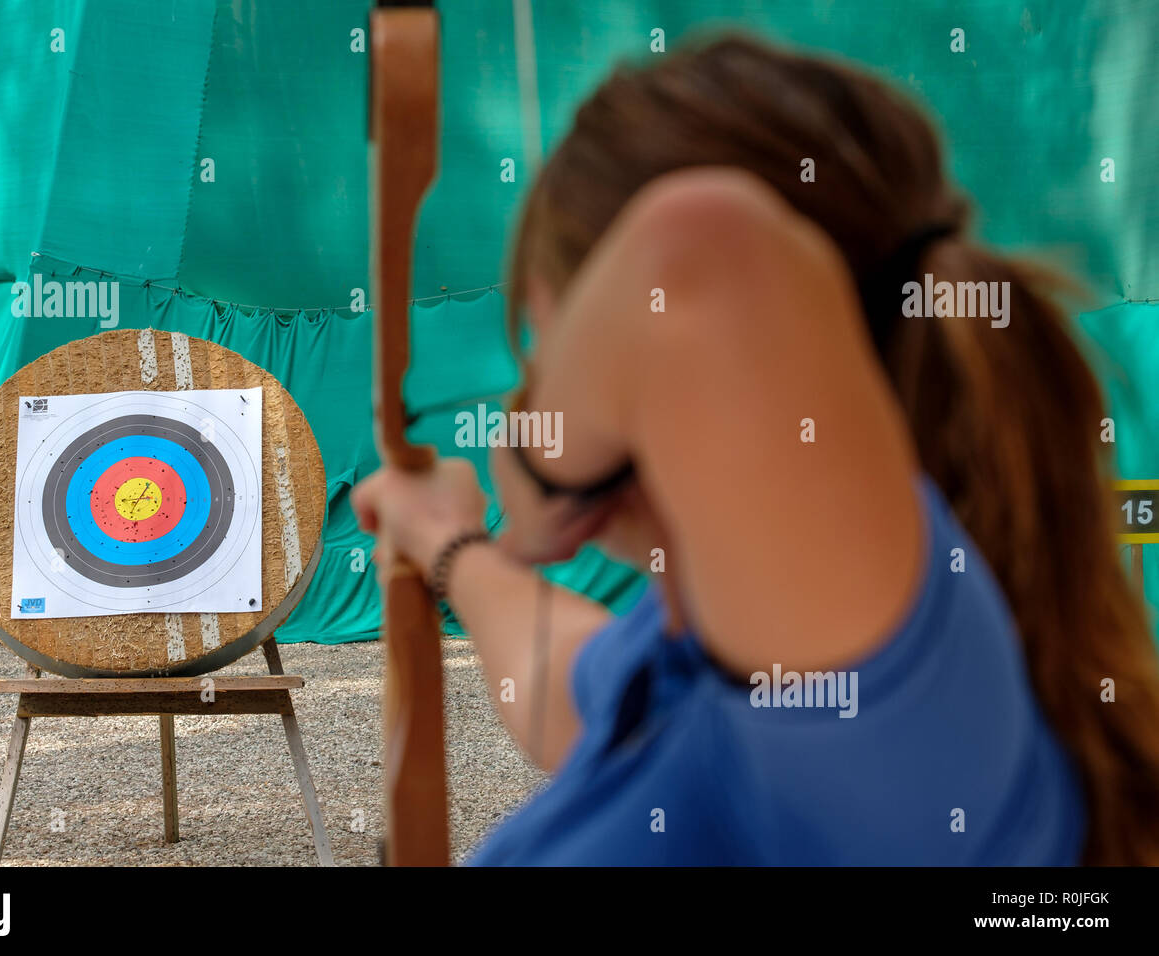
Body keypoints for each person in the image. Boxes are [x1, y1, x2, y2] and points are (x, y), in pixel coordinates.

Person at [351, 33, 1159, 865]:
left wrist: (540, 474)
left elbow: (704, 248)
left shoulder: (906, 716)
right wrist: (453, 547)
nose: (538, 368)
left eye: (551, 331)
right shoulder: (739, 662)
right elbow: (575, 692)